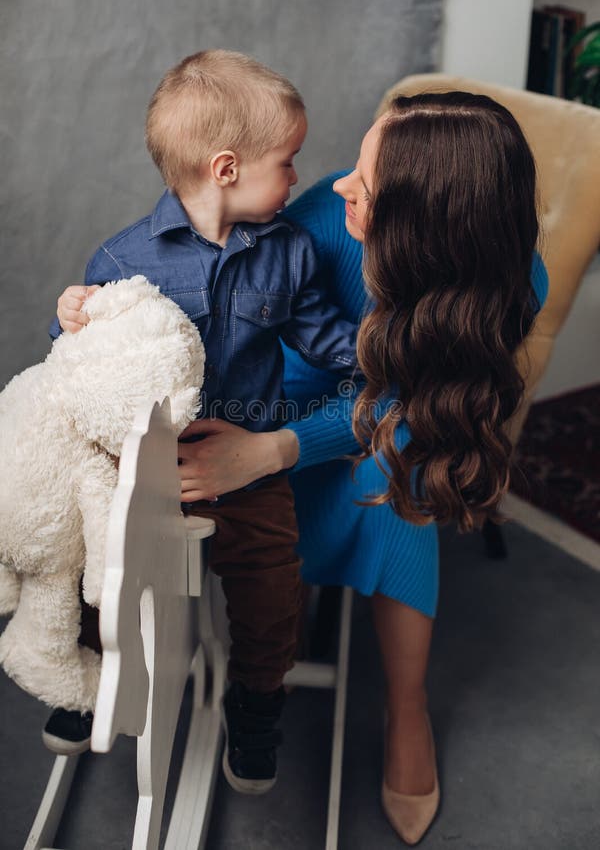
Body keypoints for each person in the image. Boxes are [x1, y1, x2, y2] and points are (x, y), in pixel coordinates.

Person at [59, 90, 548, 844]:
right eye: (353, 164)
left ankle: (406, 705)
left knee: (400, 488)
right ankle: (103, 649)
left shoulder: (513, 284)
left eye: (367, 183)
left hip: (360, 429)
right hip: (258, 400)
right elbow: (214, 305)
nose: (338, 186)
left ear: (430, 226)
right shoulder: (318, 217)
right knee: (131, 491)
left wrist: (276, 451)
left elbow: (422, 403)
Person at [50, 49, 359, 795]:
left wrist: (383, 353)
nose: (296, 178)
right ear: (226, 169)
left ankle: (257, 702)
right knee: (104, 561)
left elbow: (326, 339)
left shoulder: (287, 253)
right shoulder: (126, 257)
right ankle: (87, 671)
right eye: (287, 162)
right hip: (150, 462)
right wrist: (69, 321)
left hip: (247, 457)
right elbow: (82, 367)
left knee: (268, 585)